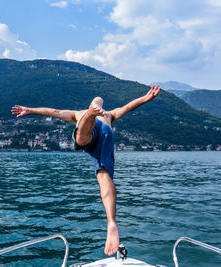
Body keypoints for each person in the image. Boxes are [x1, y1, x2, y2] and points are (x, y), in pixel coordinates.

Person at [11, 85, 161, 255]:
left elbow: (53, 111)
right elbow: (127, 107)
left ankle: (90, 114)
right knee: (103, 176)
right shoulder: (109, 115)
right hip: (105, 134)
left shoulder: (77, 113)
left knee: (82, 138)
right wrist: (145, 98)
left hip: (87, 126)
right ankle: (111, 221)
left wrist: (30, 110)